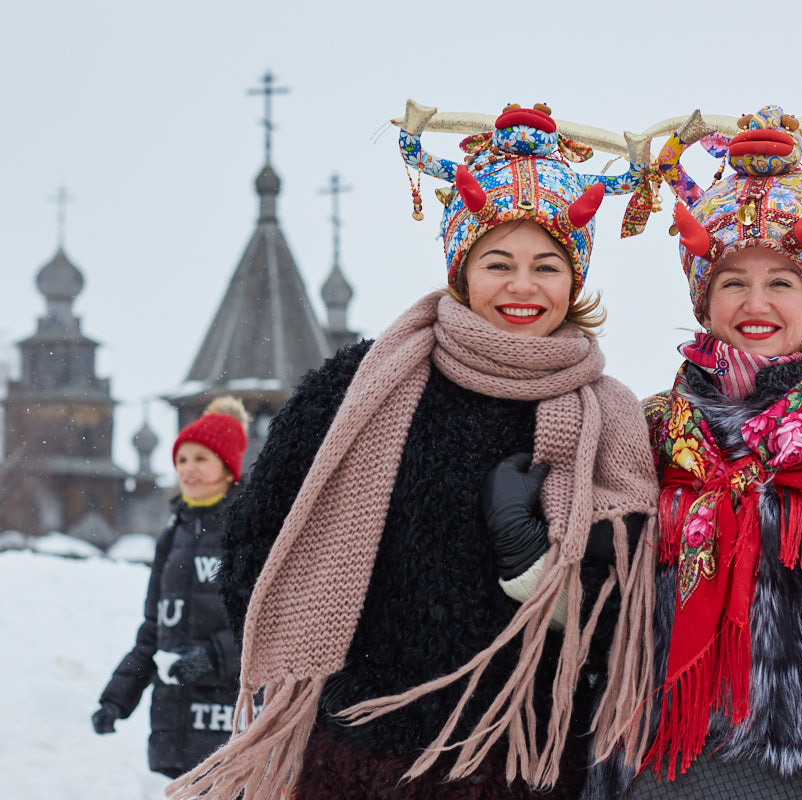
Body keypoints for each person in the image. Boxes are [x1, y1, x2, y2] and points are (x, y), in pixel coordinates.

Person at [166, 102, 660, 800]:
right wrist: (342, 680)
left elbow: (626, 623)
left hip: (522, 764)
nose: (523, 288)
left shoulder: (607, 424)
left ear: (574, 280)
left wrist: (530, 566)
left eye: (546, 266)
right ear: (461, 269)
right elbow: (259, 538)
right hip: (357, 759)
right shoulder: (361, 386)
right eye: (498, 262)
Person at [586, 105, 802, 800]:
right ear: (704, 299)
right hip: (651, 779)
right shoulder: (648, 432)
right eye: (732, 281)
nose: (757, 302)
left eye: (782, 280)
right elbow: (601, 629)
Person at [92, 397, 250, 779]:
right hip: (173, 727)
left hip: (228, 726)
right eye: (182, 459)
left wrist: (207, 660)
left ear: (228, 467)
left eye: (201, 458)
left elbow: (266, 627)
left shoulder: (248, 534)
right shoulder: (170, 538)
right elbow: (154, 631)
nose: (188, 469)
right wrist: (117, 699)